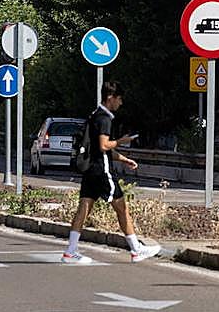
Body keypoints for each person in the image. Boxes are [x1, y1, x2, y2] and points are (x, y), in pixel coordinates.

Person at [62, 80, 161, 264]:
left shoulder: (94, 115)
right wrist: (122, 141)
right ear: (110, 98)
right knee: (122, 208)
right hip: (102, 170)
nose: (120, 103)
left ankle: (70, 251)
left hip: (90, 169)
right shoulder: (105, 118)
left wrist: (123, 159)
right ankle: (136, 249)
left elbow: (99, 148)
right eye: (119, 99)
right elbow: (103, 145)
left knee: (83, 208)